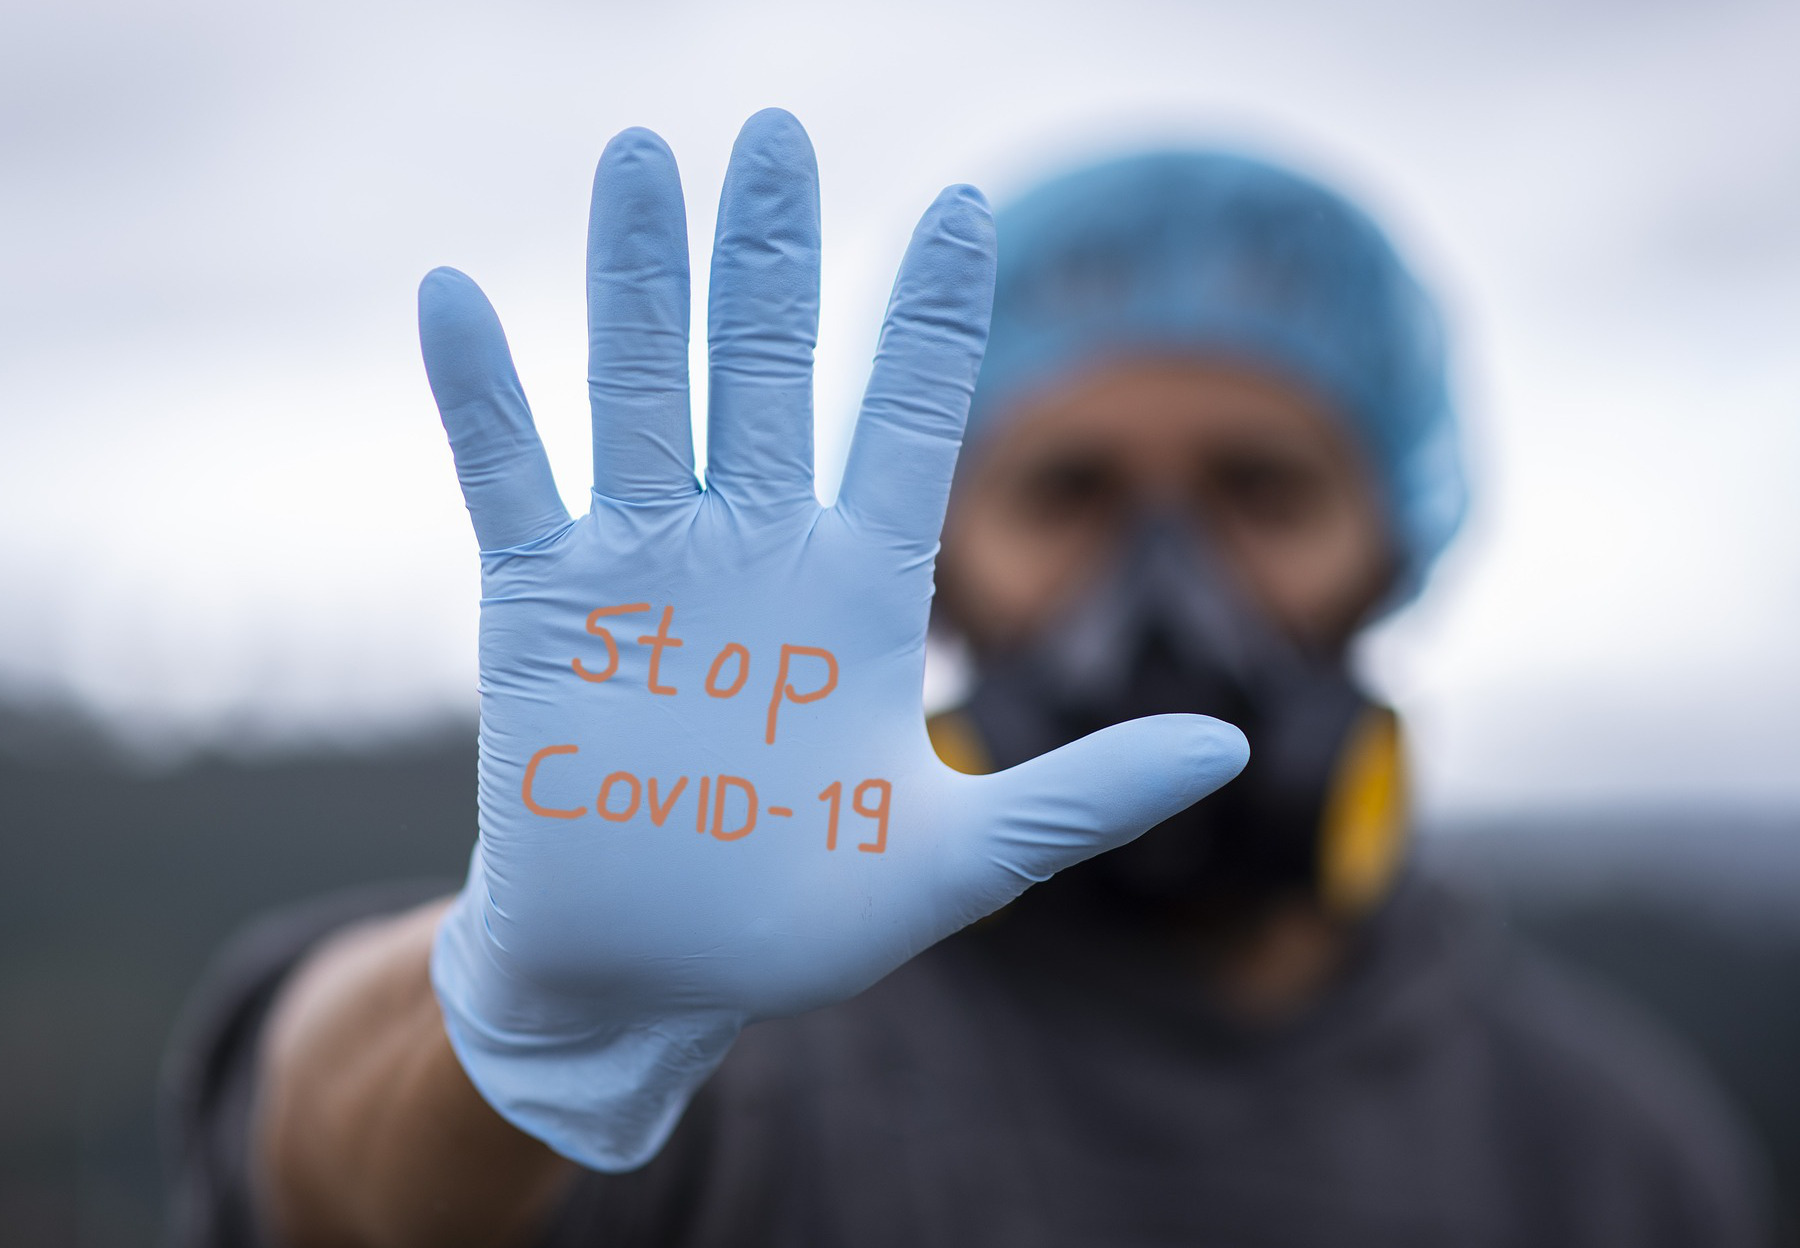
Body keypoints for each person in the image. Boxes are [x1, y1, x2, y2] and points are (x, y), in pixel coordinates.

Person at [163, 110, 1770, 1247]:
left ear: (1395, 545)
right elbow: (322, 1193)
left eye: (1261, 491)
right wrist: (518, 1033)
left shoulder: (1616, 1153)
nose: (1163, 589)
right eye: (1067, 493)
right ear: (935, 549)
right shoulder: (755, 1034)